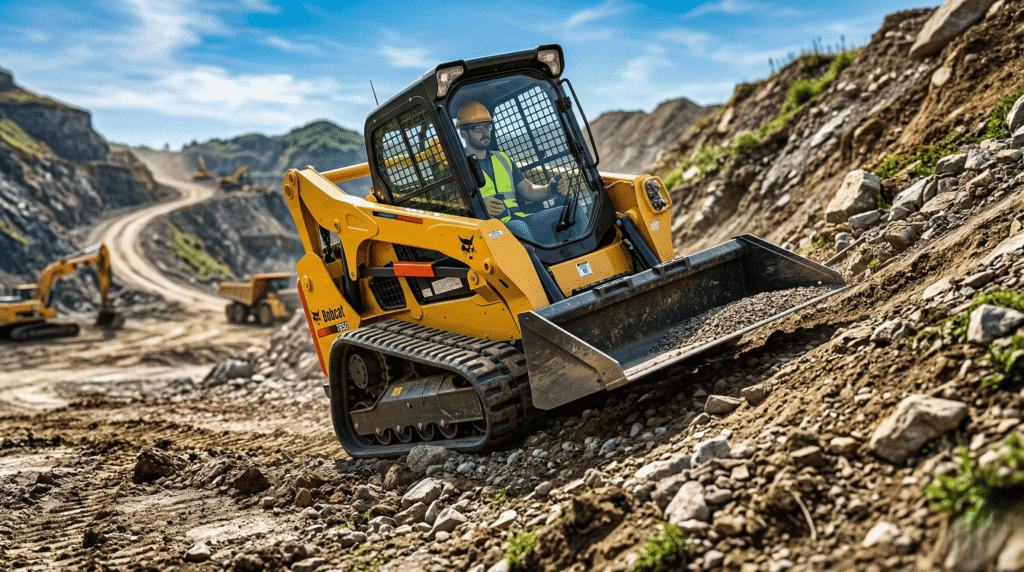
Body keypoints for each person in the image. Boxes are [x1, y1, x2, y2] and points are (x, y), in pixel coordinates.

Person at [455, 101, 565, 241]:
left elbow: (529, 190)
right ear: (464, 134)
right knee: (520, 228)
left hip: (521, 218)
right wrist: (481, 209)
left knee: (568, 212)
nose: (485, 132)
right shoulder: (459, 167)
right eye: (478, 128)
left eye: (488, 127)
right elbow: (457, 207)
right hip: (491, 230)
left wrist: (550, 189)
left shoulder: (502, 158)